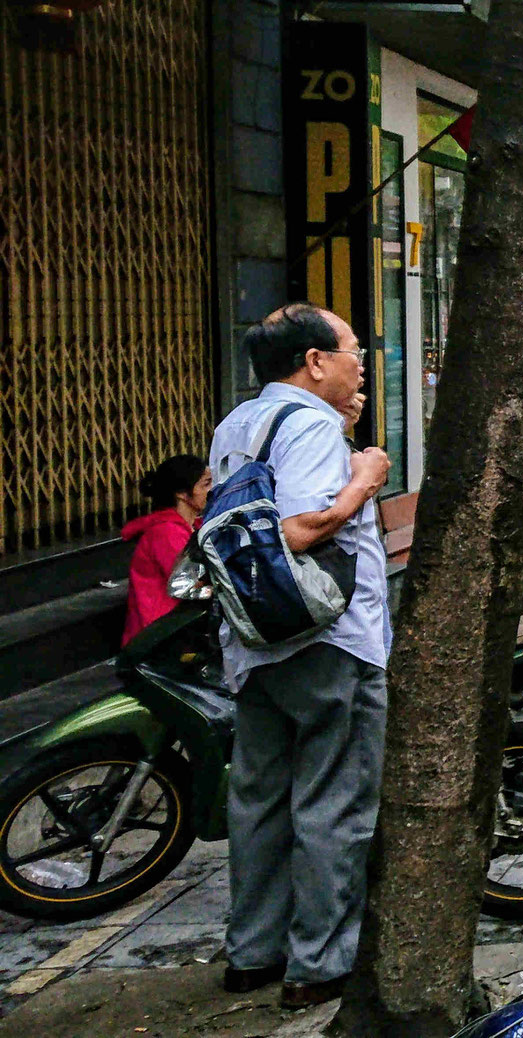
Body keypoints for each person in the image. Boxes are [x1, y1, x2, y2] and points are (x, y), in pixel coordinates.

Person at [211, 303, 391, 1011]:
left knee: (258, 800)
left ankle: (252, 953)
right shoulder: (314, 426)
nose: (360, 365)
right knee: (333, 801)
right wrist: (364, 477)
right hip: (326, 642)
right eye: (352, 352)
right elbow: (299, 526)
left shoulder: (237, 425)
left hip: (255, 642)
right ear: (314, 362)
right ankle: (319, 963)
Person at [122, 455, 211, 646]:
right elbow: (190, 582)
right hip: (158, 637)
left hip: (175, 628)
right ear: (182, 493)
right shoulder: (166, 533)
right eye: (206, 484)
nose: (212, 490)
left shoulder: (192, 527)